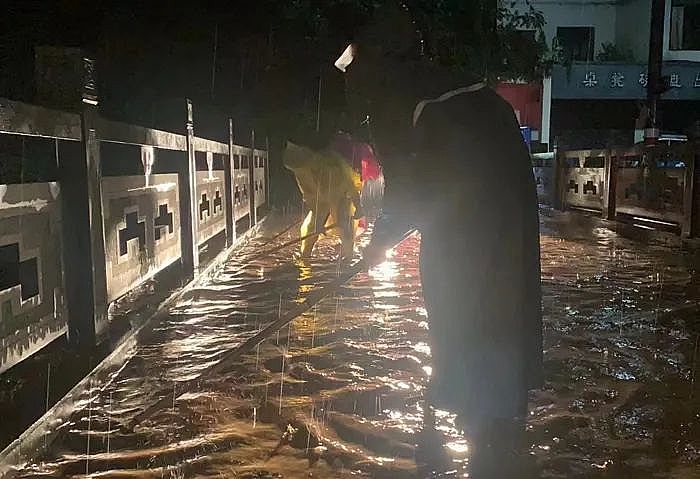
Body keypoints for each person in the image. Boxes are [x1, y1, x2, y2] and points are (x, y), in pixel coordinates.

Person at [333, 3, 543, 476]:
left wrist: (377, 244)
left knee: (454, 298)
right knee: (504, 301)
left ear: (379, 58)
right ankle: (494, 420)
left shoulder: (399, 100)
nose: (350, 76)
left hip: (467, 222)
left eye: (353, 62)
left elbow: (411, 193)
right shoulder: (455, 88)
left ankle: (473, 422)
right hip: (508, 211)